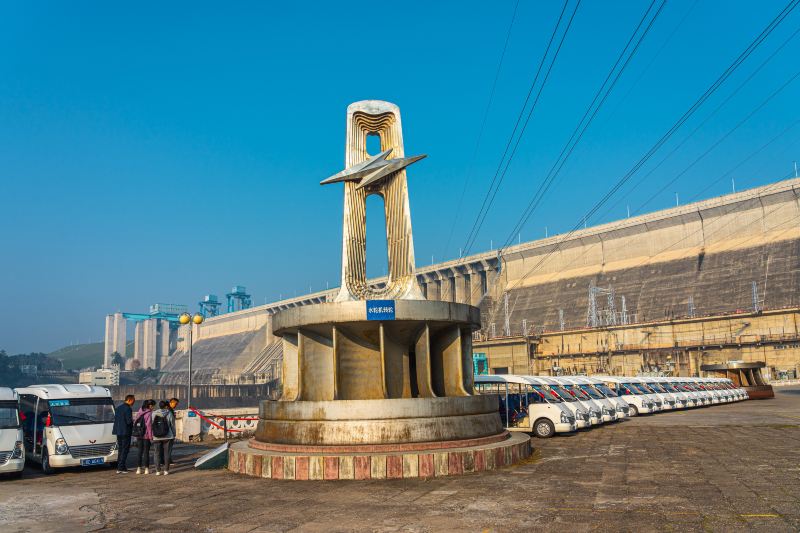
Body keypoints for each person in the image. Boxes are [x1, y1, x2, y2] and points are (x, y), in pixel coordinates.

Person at [112, 394, 135, 474]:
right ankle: (121, 468)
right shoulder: (128, 409)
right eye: (133, 401)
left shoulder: (118, 408)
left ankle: (121, 466)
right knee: (125, 450)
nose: (133, 403)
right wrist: (133, 424)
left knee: (121, 449)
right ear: (130, 400)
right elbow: (129, 421)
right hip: (125, 432)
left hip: (118, 431)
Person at [151, 400, 176, 475]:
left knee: (156, 453)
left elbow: (151, 424)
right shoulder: (169, 413)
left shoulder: (154, 413)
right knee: (167, 453)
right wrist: (174, 434)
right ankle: (166, 470)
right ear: (166, 406)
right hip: (168, 436)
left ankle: (158, 471)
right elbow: (172, 425)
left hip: (156, 436)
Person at [133, 400, 155, 474]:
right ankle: (146, 469)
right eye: (153, 405)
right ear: (150, 406)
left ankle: (138, 469)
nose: (153, 407)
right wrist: (151, 437)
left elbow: (135, 422)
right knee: (146, 452)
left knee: (139, 452)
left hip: (139, 435)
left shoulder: (139, 411)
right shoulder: (149, 413)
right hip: (146, 436)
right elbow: (149, 426)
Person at [164, 397, 180, 467]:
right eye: (175, 404)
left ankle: (165, 460)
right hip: (169, 432)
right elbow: (171, 423)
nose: (176, 405)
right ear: (171, 403)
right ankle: (168, 461)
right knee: (168, 448)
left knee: (164, 448)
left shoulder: (166, 409)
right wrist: (174, 433)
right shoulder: (169, 411)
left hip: (164, 431)